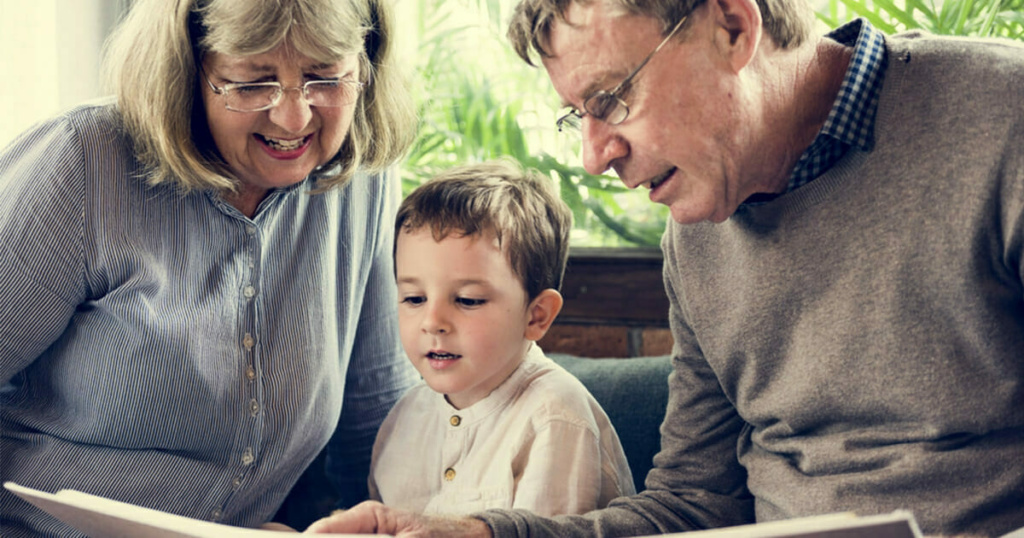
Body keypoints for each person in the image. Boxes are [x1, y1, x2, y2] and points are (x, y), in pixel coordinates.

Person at [305, 0, 1024, 536]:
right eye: (577, 116)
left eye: (611, 98)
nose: (594, 155)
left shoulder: (1002, 122)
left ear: (733, 29)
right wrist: (486, 531)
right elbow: (692, 502)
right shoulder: (699, 232)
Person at [0, 0, 419, 535]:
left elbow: (375, 415)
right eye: (251, 84)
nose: (294, 118)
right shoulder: (82, 163)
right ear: (186, 75)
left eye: (324, 77)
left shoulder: (362, 180)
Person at [368, 160, 635, 517]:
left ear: (536, 315)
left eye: (467, 300)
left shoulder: (555, 418)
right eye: (414, 299)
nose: (432, 322)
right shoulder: (403, 417)